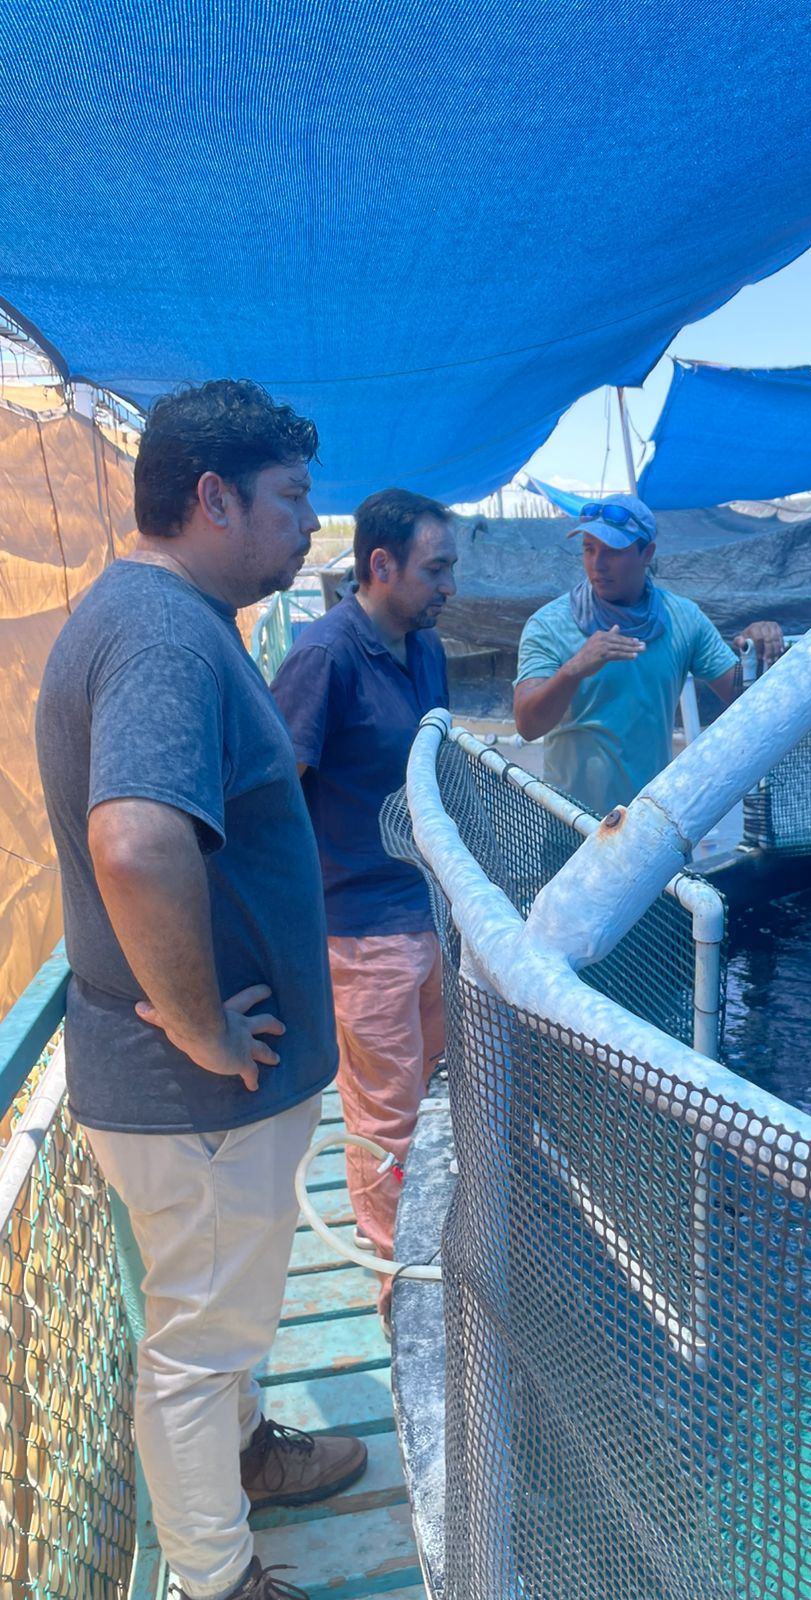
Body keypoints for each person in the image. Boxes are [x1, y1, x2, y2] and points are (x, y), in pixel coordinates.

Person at [35, 380, 366, 1600]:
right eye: (291, 498)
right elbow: (135, 841)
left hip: (207, 1096)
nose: (308, 524)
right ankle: (218, 1580)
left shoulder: (169, 618)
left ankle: (248, 1454)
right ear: (214, 497)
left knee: (219, 1323)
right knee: (197, 1342)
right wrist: (200, 1026)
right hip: (199, 1096)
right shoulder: (166, 635)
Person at [270, 489, 457, 1323]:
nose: (450, 585)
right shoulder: (324, 657)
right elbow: (273, 797)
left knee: (434, 1093)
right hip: (360, 932)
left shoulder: (426, 647)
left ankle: (435, 1247)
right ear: (380, 565)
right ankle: (397, 1283)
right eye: (436, 568)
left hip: (433, 914)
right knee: (384, 1117)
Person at [513, 493, 784, 815]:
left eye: (613, 551)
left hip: (650, 822)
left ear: (647, 553)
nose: (598, 564)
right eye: (589, 549)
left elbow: (741, 697)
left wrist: (755, 651)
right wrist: (574, 670)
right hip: (571, 822)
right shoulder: (550, 624)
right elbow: (527, 726)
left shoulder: (682, 618)